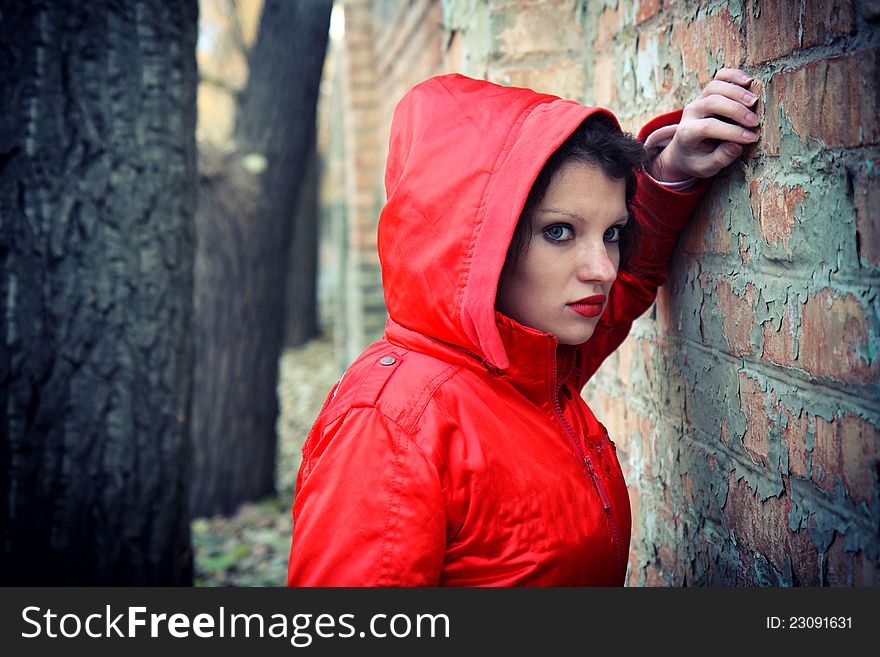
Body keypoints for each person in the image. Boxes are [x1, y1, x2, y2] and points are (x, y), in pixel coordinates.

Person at [287, 68, 760, 586]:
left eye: (612, 233)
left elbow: (629, 282)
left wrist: (671, 171)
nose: (602, 268)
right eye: (559, 231)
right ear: (479, 240)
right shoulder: (391, 428)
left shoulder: (532, 366)